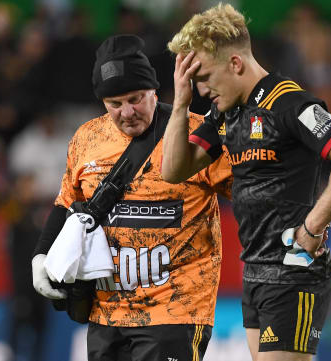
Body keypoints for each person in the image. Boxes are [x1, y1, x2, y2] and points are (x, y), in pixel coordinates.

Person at [162, 4, 331, 361]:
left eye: (206, 79)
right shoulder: (226, 114)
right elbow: (173, 169)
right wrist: (181, 102)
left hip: (294, 272)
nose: (202, 91)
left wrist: (312, 227)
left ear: (235, 64)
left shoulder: (289, 102)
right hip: (255, 272)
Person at [31, 34, 232, 361]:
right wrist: (40, 257)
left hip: (175, 310)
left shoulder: (199, 136)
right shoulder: (87, 138)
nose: (127, 112)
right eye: (115, 104)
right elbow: (67, 202)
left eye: (136, 98)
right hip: (106, 314)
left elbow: (253, 196)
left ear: (154, 90)